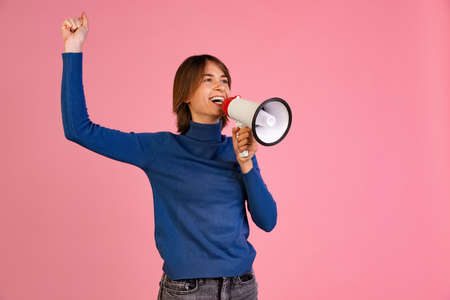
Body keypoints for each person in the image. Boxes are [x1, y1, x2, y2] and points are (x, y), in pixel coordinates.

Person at [60, 11, 277, 300]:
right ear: (185, 94)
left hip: (242, 287)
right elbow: (79, 129)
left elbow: (268, 221)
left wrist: (247, 164)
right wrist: (73, 50)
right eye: (208, 80)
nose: (220, 87)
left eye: (224, 80)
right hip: (187, 292)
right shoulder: (160, 149)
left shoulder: (236, 150)